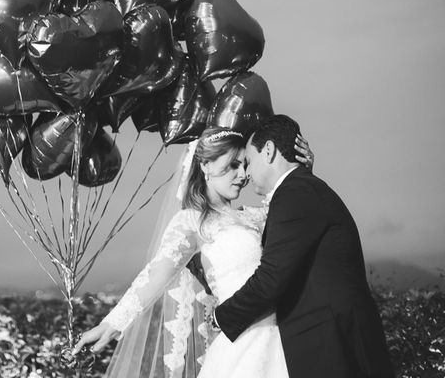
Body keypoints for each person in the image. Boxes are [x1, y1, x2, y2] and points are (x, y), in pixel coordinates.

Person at [73, 126, 315, 377]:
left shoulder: (258, 216)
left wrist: (303, 172)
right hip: (242, 347)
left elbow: (299, 227)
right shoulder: (192, 223)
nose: (243, 175)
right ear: (206, 166)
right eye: (232, 165)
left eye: (244, 165)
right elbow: (153, 277)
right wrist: (110, 325)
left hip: (289, 341)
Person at [215, 114, 394, 378]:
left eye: (249, 162)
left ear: (269, 151)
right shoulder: (302, 189)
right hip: (330, 340)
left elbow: (271, 279)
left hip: (334, 344)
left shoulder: (294, 193)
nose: (247, 173)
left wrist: (221, 317)